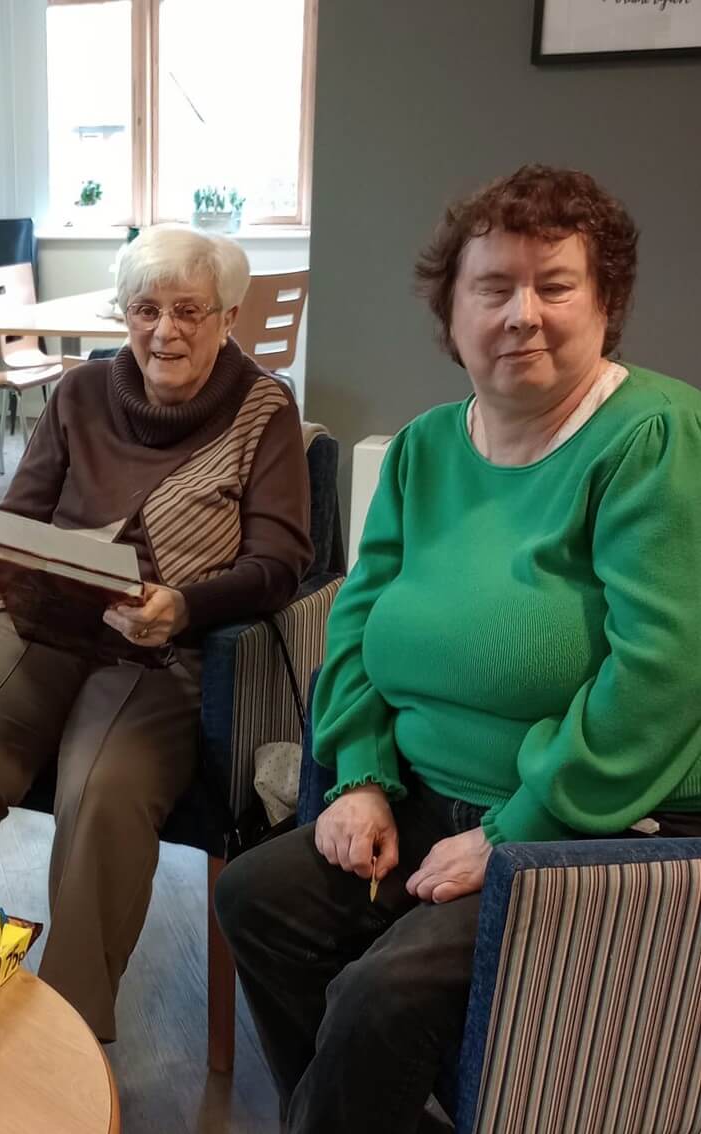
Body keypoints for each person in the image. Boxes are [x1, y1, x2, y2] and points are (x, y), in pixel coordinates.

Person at [214, 164, 701, 1133]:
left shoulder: (654, 436)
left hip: (584, 829)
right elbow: (358, 615)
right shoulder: (428, 447)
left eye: (555, 285)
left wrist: (519, 826)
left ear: (606, 304)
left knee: (378, 998)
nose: (523, 313)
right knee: (256, 897)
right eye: (492, 288)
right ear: (453, 316)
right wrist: (358, 773)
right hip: (419, 799)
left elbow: (663, 672)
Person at [0, 225, 314, 1041]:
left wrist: (184, 604)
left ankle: (67, 1028)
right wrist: (0, 559)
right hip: (44, 620)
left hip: (161, 643)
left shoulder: (264, 408)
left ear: (227, 316)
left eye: (189, 311)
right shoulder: (80, 392)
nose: (165, 330)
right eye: (146, 309)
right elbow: (13, 516)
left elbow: (282, 561)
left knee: (102, 792)